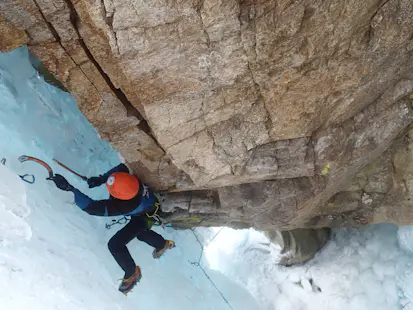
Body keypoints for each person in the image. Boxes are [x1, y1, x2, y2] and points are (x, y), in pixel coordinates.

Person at [50, 163, 175, 295]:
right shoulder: (131, 183)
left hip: (144, 216)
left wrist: (71, 189)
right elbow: (121, 169)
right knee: (140, 233)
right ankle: (162, 244)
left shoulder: (124, 206)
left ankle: (132, 272)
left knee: (116, 244)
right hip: (151, 204)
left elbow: (91, 208)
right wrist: (100, 179)